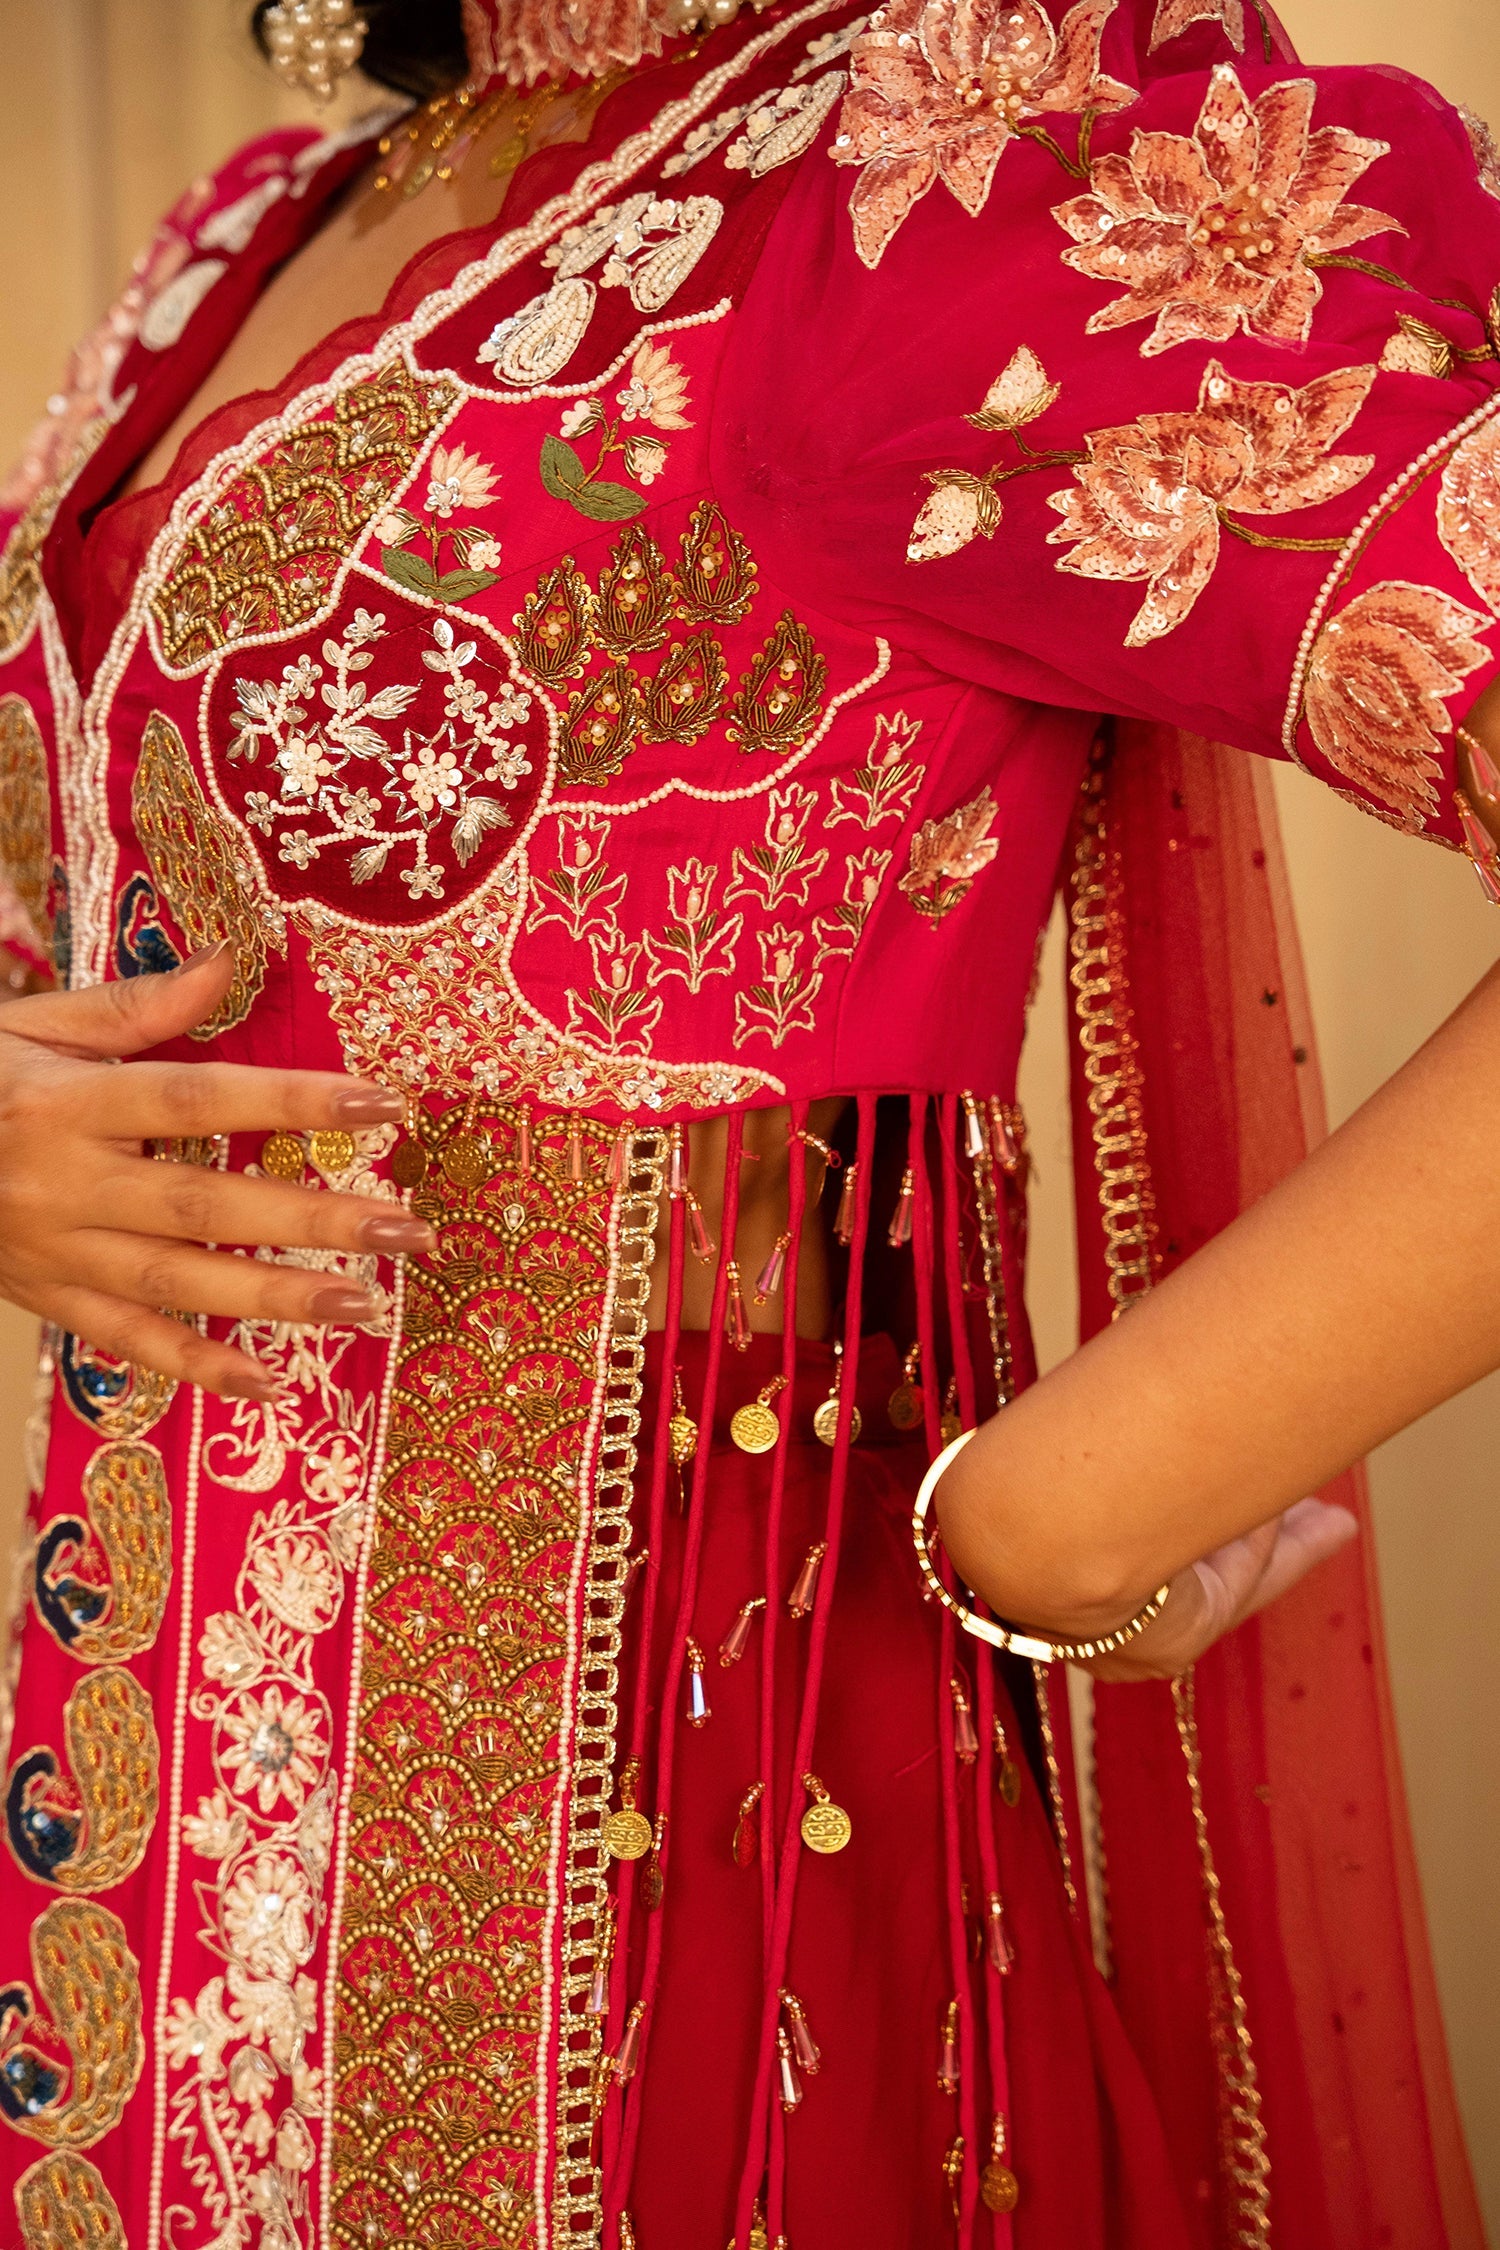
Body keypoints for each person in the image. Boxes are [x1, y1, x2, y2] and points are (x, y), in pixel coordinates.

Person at [0, 0, 1493, 2242]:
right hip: (135, 1873)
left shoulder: (945, 159)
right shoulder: (258, 223)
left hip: (686, 1869)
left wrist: (1072, 1511)